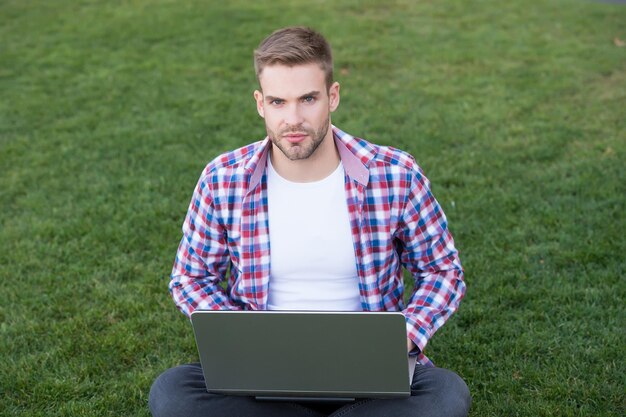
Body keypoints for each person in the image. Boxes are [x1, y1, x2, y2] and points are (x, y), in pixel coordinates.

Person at [149, 26, 471, 417]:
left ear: (332, 97)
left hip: (370, 373)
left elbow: (442, 270)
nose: (294, 118)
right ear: (259, 104)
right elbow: (190, 277)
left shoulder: (396, 173)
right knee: (172, 392)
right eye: (278, 102)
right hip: (263, 372)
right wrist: (240, 339)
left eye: (308, 99)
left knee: (445, 395)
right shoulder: (222, 178)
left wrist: (405, 336)